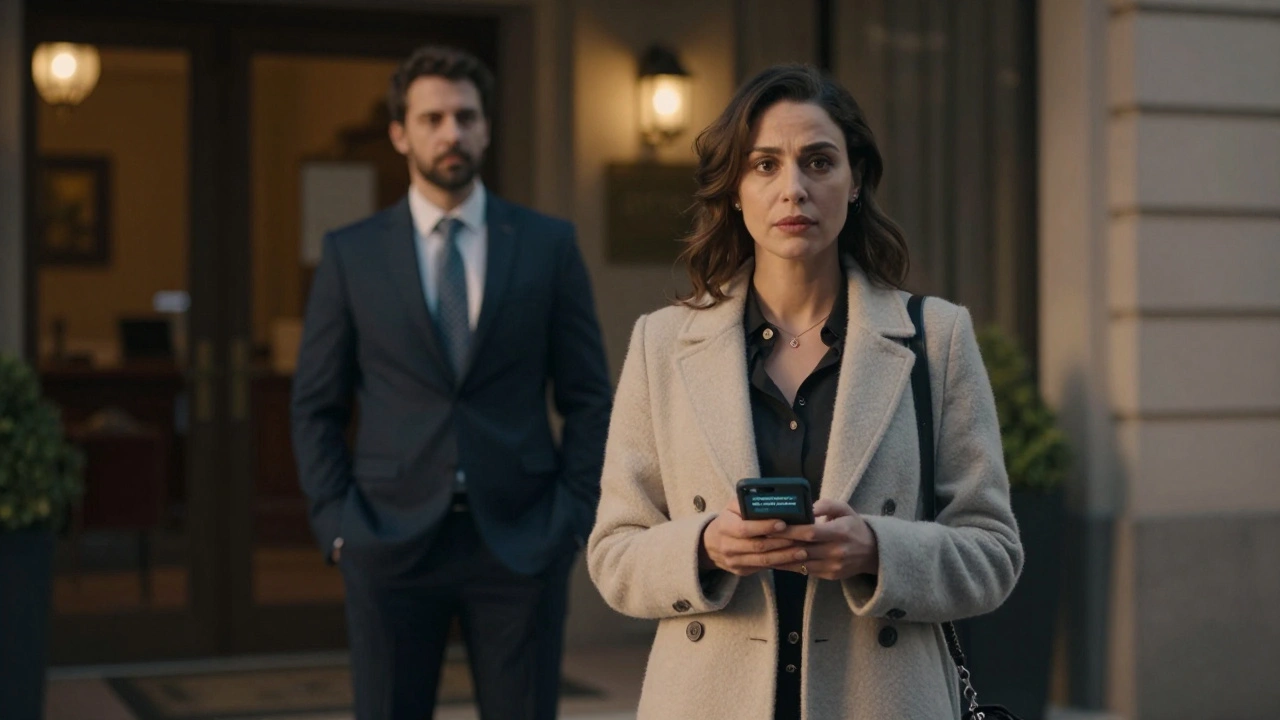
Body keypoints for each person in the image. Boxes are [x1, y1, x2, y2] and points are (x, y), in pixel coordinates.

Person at [587, 64, 1023, 720]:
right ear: (735, 190)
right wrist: (705, 546)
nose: (793, 189)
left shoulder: (936, 336)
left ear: (854, 183)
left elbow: (994, 552)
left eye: (819, 162)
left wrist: (877, 549)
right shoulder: (663, 344)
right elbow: (614, 554)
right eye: (764, 165)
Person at [292, 45, 612, 720]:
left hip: (522, 539)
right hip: (387, 540)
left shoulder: (547, 245)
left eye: (465, 116)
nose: (451, 133)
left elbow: (589, 397)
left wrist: (572, 518)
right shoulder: (351, 254)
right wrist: (337, 523)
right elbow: (316, 404)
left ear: (486, 127)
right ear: (400, 132)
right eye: (432, 117)